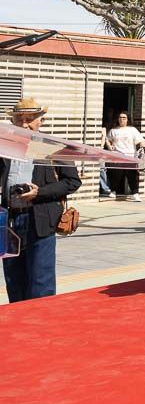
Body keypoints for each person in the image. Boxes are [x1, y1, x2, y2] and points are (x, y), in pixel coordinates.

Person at [0, 98, 82, 302]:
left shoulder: (51, 146)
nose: (24, 124)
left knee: (41, 283)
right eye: (19, 120)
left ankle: (41, 328)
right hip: (9, 222)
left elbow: (72, 181)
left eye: (30, 119)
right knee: (14, 281)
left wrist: (40, 192)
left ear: (40, 121)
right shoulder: (5, 146)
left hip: (40, 220)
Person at [105, 111, 145, 201]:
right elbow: (107, 139)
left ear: (127, 119)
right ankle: (113, 191)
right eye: (120, 117)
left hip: (130, 156)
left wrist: (143, 145)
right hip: (118, 156)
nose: (121, 119)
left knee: (131, 175)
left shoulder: (132, 130)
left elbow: (140, 140)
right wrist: (109, 146)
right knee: (116, 174)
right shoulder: (113, 130)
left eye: (124, 118)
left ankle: (135, 193)